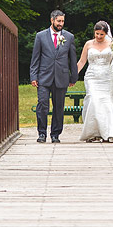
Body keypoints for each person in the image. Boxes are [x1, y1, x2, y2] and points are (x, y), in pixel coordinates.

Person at [75, 21, 113, 143]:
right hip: (92, 77)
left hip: (107, 77)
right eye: (97, 34)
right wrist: (73, 76)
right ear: (94, 32)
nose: (99, 37)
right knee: (93, 99)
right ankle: (94, 132)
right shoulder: (88, 44)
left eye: (101, 34)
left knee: (107, 102)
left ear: (106, 34)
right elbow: (81, 62)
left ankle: (109, 132)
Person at [29, 9, 77, 143]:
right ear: (52, 20)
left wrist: (73, 77)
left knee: (59, 106)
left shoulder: (69, 37)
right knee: (43, 104)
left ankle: (55, 134)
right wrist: (33, 76)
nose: (61, 23)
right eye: (58, 21)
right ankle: (42, 133)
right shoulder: (40, 36)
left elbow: (72, 59)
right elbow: (35, 58)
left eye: (62, 21)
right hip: (44, 77)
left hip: (61, 77)